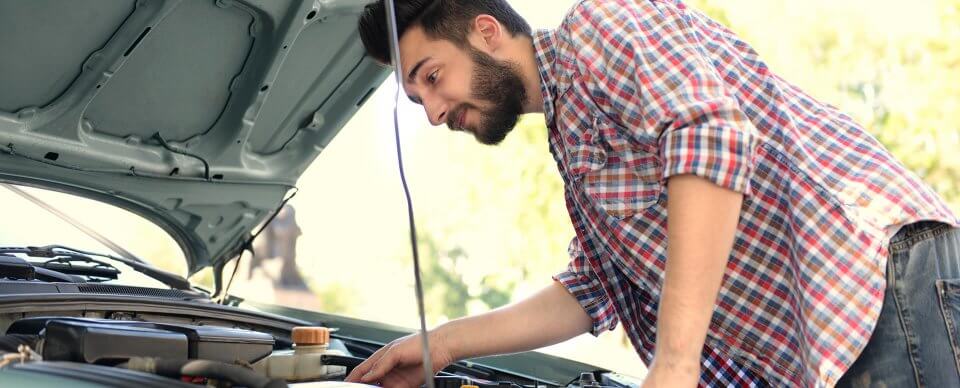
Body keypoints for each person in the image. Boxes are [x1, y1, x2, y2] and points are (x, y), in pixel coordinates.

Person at [346, 1, 960, 387]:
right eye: (417, 98)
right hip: (837, 334)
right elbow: (591, 291)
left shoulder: (601, 26)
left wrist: (675, 362)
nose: (431, 113)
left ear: (486, 33)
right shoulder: (572, 139)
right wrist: (442, 343)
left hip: (877, 286)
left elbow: (710, 137)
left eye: (432, 78)